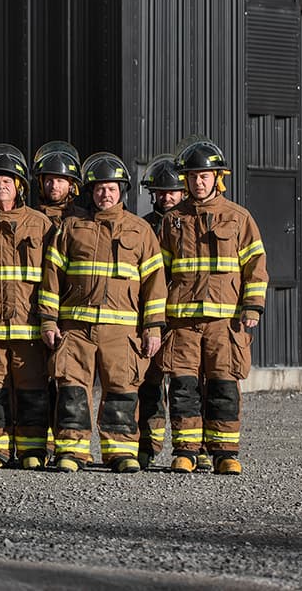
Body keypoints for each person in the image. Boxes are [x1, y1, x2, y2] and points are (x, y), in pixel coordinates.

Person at [39, 152, 166, 474]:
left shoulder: (140, 231)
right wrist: (49, 320)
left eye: (110, 188)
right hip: (76, 328)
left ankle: (120, 452)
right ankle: (71, 451)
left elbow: (154, 284)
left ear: (122, 190)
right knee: (71, 391)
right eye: (98, 188)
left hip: (122, 330)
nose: (104, 194)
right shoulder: (70, 228)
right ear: (89, 191)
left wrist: (152, 328)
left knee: (122, 391)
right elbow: (52, 276)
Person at [159, 139, 267, 475]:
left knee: (223, 386)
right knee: (183, 388)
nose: (198, 182)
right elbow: (160, 272)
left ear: (217, 178)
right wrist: (157, 317)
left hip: (225, 322)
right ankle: (186, 452)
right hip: (182, 323)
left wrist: (252, 306)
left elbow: (256, 265)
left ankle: (225, 454)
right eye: (192, 176)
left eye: (204, 176)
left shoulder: (238, 217)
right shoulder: (173, 220)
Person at [0, 145, 53, 470]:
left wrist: (49, 319)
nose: (0, 186)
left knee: (32, 390)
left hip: (30, 327)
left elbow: (53, 275)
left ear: (19, 186)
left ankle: (33, 450)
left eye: (7, 181)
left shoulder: (42, 225)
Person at [136, 154, 187, 469]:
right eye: (161, 191)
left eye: (173, 191)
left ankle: (195, 451)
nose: (166, 196)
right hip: (147, 320)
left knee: (187, 386)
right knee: (148, 386)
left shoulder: (189, 224)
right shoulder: (140, 227)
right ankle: (147, 446)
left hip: (183, 321)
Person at [32, 141, 82, 225]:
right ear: (41, 183)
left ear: (71, 184)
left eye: (60, 180)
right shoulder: (30, 219)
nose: (54, 186)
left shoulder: (84, 219)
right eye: (49, 180)